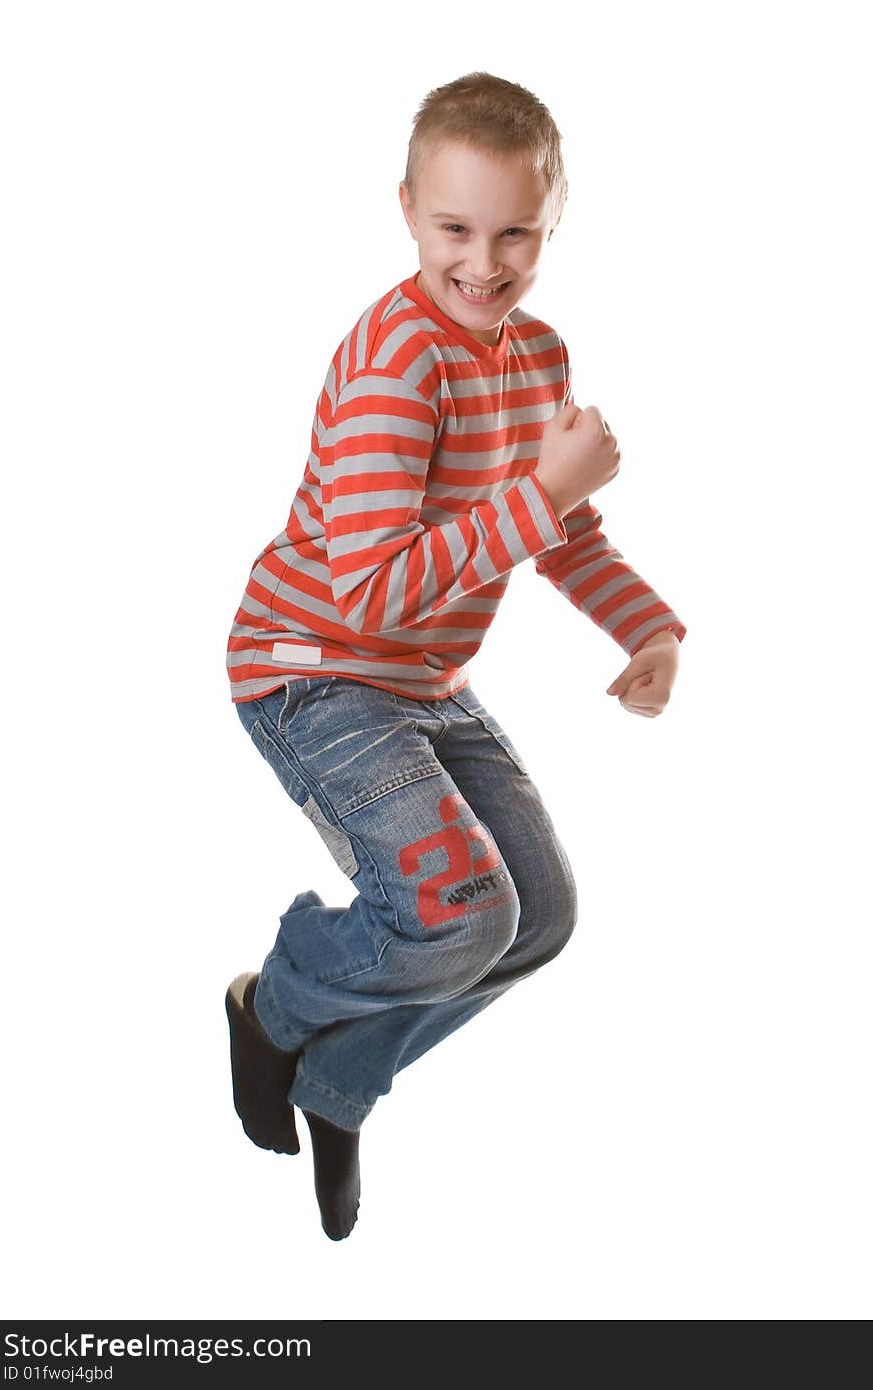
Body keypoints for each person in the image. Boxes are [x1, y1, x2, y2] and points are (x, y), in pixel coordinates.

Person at [224, 71, 687, 1240]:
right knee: (459, 913)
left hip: (425, 680)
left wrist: (647, 623)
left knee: (537, 918)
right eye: (455, 231)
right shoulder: (397, 366)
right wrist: (540, 492)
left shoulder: (535, 356)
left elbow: (560, 534)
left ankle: (340, 1083)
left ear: (553, 219)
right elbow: (369, 589)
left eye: (516, 231)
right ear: (407, 213)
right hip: (314, 664)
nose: (485, 262)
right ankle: (273, 1003)